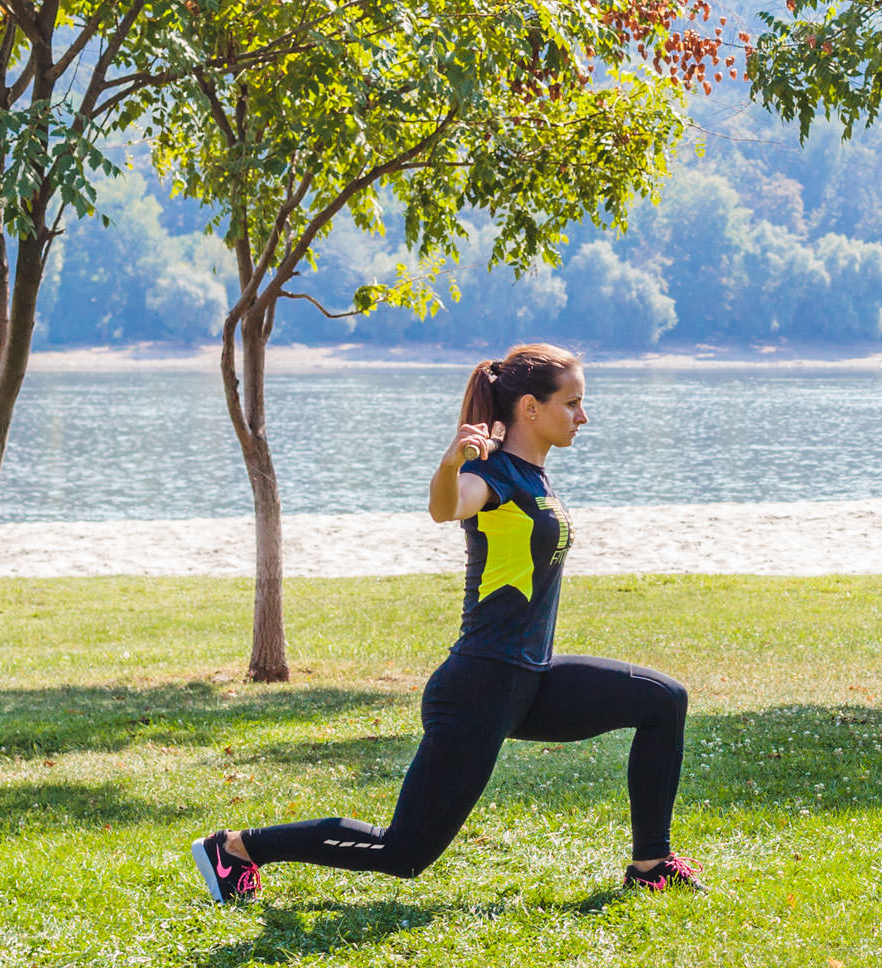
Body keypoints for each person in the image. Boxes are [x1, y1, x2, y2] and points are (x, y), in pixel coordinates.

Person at [191, 343, 702, 902]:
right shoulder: (495, 476)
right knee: (404, 852)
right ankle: (235, 849)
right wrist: (451, 462)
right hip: (481, 686)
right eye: (573, 403)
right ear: (529, 407)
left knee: (662, 700)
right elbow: (447, 507)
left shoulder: (532, 475)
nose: (584, 416)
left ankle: (651, 864)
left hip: (528, 679)